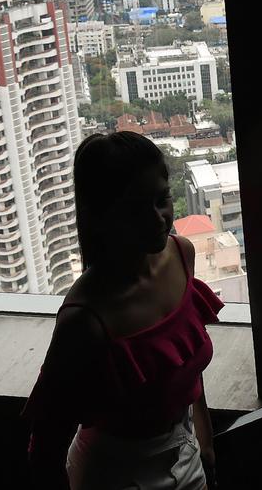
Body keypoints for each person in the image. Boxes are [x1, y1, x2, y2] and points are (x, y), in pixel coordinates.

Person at [24, 132, 224, 490]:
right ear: (101, 216)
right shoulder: (85, 318)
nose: (158, 218)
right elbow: (45, 447)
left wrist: (204, 443)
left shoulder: (182, 256)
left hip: (187, 457)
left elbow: (184, 364)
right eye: (134, 209)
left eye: (161, 199)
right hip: (115, 475)